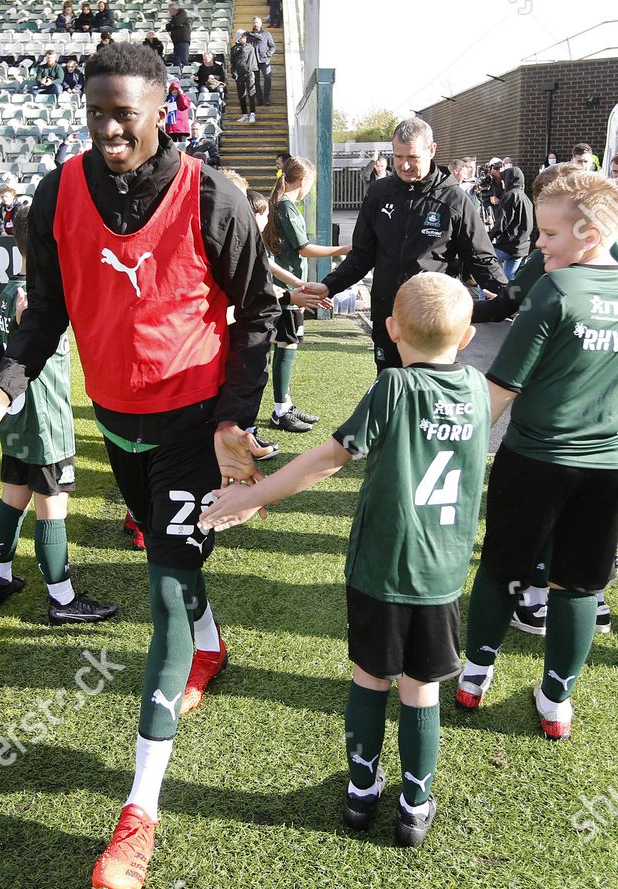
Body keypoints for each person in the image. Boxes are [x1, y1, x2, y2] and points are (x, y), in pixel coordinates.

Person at [0, 44, 278, 889]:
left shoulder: (212, 193)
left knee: (162, 594)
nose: (109, 128)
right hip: (119, 428)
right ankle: (212, 645)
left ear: (163, 108)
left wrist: (235, 416)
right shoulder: (56, 194)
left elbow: (259, 307)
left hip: (196, 429)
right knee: (173, 563)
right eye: (95, 114)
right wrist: (2, 393)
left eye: (124, 112)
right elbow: (43, 314)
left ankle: (138, 813)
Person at [198, 272, 489, 848]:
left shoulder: (394, 388)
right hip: (444, 573)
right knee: (421, 689)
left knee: (368, 677)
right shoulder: (479, 388)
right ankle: (414, 801)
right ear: (469, 337)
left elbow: (330, 458)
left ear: (390, 329)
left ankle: (361, 791)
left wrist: (250, 495)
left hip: (382, 566)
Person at [456, 170, 618, 742]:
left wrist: (460, 454)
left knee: (502, 568)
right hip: (609, 468)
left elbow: (501, 391)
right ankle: (556, 700)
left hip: (536, 459)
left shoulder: (556, 291)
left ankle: (474, 675)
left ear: (591, 233)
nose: (539, 243)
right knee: (579, 586)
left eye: (549, 234)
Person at [0, 202, 122, 625]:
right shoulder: (42, 295)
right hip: (45, 419)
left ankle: (0, 578)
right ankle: (62, 599)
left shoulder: (12, 290)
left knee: (14, 497)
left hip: (15, 414)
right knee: (51, 505)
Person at [299, 117, 507, 371]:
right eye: (398, 157)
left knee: (428, 393)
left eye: (412, 157)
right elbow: (362, 255)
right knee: (389, 388)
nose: (404, 165)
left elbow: (481, 258)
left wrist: (508, 295)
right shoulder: (378, 193)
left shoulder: (454, 199)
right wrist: (329, 286)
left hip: (434, 317)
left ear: (431, 150)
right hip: (388, 314)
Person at [261, 156, 351, 433]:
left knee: (288, 343)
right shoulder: (286, 206)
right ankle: (280, 410)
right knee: (287, 344)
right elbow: (303, 247)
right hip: (286, 288)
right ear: (304, 181)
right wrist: (342, 250)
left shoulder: (283, 204)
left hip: (289, 283)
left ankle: (285, 403)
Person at [489, 165, 532, 280]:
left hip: (507, 244)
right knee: (509, 278)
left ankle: (484, 297)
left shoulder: (510, 196)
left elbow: (502, 222)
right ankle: (507, 297)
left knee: (486, 267)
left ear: (508, 180)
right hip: (522, 246)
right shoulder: (526, 198)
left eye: (503, 180)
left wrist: (488, 237)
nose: (502, 182)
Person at [247, 16, 273, 107]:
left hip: (264, 60)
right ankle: (260, 100)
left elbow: (272, 46)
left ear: (261, 24)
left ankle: (267, 98)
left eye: (257, 22)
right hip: (254, 61)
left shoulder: (266, 34)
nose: (255, 24)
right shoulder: (248, 35)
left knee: (267, 77)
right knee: (255, 81)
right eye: (254, 22)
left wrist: (268, 53)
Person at [230, 30, 254, 123]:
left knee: (251, 92)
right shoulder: (234, 48)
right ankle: (244, 114)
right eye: (242, 36)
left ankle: (252, 113)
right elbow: (233, 62)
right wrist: (233, 72)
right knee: (241, 94)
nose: (244, 38)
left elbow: (251, 60)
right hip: (239, 74)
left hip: (249, 72)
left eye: (245, 36)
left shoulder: (249, 47)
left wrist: (250, 71)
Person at [165, 80, 192, 145]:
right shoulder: (168, 99)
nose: (174, 91)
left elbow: (185, 105)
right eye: (173, 89)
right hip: (171, 127)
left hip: (182, 127)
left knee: (182, 146)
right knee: (172, 146)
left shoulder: (184, 97)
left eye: (176, 89)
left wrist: (181, 94)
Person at [166, 1, 189, 66]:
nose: (169, 12)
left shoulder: (182, 14)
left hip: (183, 40)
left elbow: (177, 23)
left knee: (183, 60)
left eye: (170, 10)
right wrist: (172, 25)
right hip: (176, 42)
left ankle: (186, 74)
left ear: (174, 9)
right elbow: (168, 27)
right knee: (176, 61)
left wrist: (172, 25)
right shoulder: (174, 18)